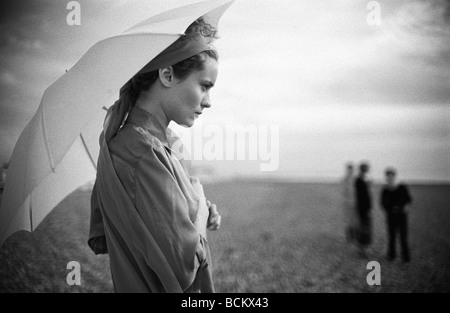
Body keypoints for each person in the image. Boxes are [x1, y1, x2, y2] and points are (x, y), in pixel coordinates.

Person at [88, 18, 222, 293]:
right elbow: (183, 265)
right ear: (167, 75)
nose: (208, 101)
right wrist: (198, 203)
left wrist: (198, 209)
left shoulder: (151, 144)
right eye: (204, 85)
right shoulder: (142, 152)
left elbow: (154, 228)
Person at [380, 167, 412, 263]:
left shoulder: (402, 186)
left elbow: (408, 199)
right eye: (388, 176)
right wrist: (390, 210)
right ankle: (391, 256)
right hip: (391, 216)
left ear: (394, 176)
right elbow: (382, 202)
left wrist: (406, 207)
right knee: (392, 236)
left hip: (402, 216)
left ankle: (405, 257)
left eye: (391, 176)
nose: (390, 178)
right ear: (386, 177)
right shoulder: (385, 189)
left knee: (403, 237)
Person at [354, 161, 373, 257]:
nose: (368, 170)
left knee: (363, 228)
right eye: (367, 168)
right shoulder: (360, 180)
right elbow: (363, 196)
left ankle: (361, 249)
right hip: (363, 208)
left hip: (363, 208)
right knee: (365, 229)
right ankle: (363, 250)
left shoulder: (360, 179)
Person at [341, 162, 358, 243]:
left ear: (352, 170)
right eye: (348, 170)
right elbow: (344, 192)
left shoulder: (356, 179)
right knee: (348, 221)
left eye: (351, 170)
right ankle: (349, 238)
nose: (349, 171)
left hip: (355, 203)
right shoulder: (345, 179)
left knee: (354, 221)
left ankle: (354, 237)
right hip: (347, 204)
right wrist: (345, 201)